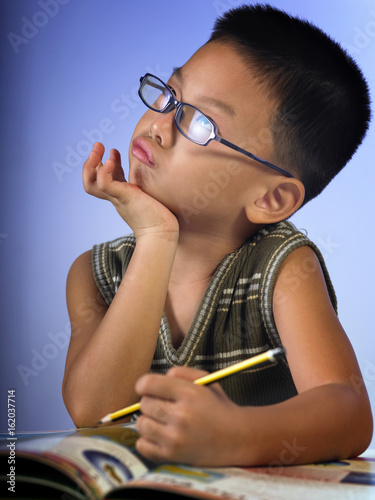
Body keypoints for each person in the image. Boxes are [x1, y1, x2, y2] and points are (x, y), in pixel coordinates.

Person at [62, 4, 373, 466]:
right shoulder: (95, 275)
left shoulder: (282, 269)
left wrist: (238, 435)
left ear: (271, 199)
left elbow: (350, 413)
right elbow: (92, 411)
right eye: (170, 94)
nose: (159, 125)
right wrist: (155, 238)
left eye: (200, 124)